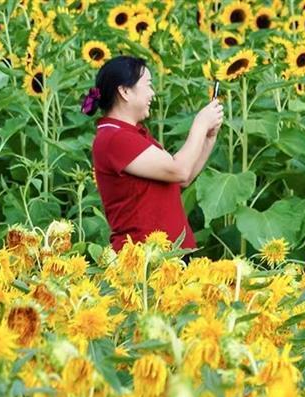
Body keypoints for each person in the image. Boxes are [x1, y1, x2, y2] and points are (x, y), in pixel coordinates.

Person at [83, 55, 224, 252]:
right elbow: (179, 170)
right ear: (124, 91)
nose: (152, 93)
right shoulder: (115, 138)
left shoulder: (132, 134)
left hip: (166, 256)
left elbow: (183, 178)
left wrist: (208, 137)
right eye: (148, 85)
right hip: (145, 259)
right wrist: (200, 124)